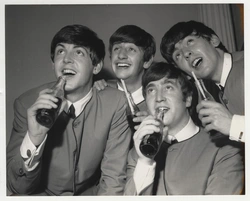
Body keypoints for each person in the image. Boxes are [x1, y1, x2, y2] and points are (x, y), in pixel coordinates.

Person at [7, 24, 132, 195]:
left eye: (78, 52)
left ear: (96, 67)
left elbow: (113, 179)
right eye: (60, 52)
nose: (66, 59)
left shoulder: (116, 102)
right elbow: (17, 187)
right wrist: (34, 138)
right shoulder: (26, 103)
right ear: (53, 64)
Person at [124, 62, 244, 195]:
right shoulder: (137, 154)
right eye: (151, 90)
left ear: (187, 99)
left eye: (168, 87)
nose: (158, 98)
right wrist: (145, 161)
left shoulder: (225, 149)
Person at [160, 20, 244, 143]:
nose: (186, 54)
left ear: (213, 40)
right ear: (185, 73)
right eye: (177, 55)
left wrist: (232, 125)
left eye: (190, 42)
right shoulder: (212, 92)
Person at [94, 25, 156, 130]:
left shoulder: (157, 100)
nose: (121, 55)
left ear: (147, 61)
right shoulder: (100, 92)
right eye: (117, 48)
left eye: (131, 49)